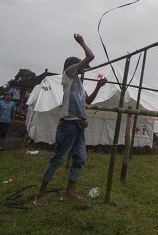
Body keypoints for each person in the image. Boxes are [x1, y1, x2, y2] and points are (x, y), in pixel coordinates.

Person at [34, 33, 107, 207]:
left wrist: (98, 86)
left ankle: (69, 192)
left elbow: (88, 101)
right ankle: (40, 195)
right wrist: (81, 42)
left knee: (80, 159)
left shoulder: (79, 85)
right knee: (57, 159)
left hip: (79, 127)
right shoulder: (68, 75)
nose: (83, 67)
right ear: (72, 67)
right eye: (80, 65)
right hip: (68, 126)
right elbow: (90, 56)